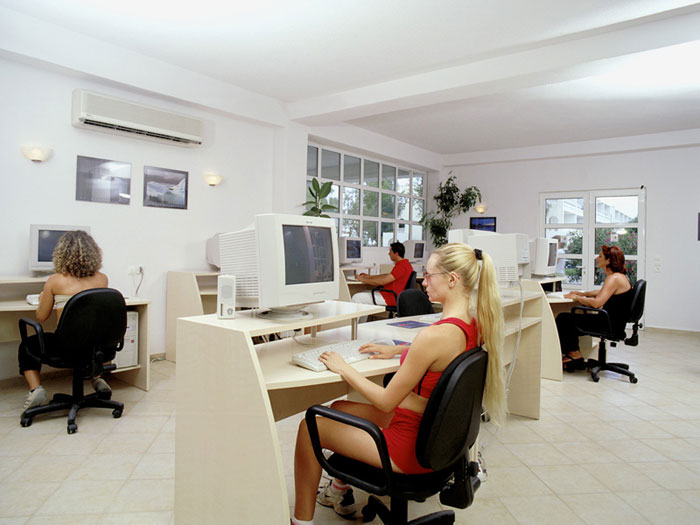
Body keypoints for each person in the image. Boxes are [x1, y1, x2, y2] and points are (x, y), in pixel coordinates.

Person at [291, 243, 506, 524]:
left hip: (410, 448)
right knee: (340, 407)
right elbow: (441, 359)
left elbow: (385, 402)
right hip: (437, 439)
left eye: (429, 275)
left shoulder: (434, 337)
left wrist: (344, 367)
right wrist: (398, 350)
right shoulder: (475, 325)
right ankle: (338, 491)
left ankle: (300, 521)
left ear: (452, 279)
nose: (423, 282)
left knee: (309, 426)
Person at [19, 230, 110, 412]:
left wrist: (44, 297)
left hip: (66, 348)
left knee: (27, 345)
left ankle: (36, 390)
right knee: (93, 336)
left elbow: (41, 317)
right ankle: (97, 378)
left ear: (62, 253)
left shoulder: (55, 281)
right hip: (97, 347)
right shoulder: (102, 279)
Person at [555, 245, 632, 371]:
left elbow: (597, 303)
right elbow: (602, 292)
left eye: (600, 256)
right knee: (569, 318)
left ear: (608, 260)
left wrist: (576, 298)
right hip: (613, 323)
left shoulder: (613, 278)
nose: (597, 258)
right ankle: (574, 353)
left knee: (563, 319)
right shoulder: (619, 276)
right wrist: (583, 294)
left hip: (607, 324)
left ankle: (574, 354)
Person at [351, 242, 413, 320]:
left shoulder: (401, 267)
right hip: (392, 295)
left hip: (390, 298)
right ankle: (361, 325)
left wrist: (363, 279)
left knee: (357, 297)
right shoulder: (405, 264)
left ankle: (353, 326)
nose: (389, 254)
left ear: (396, 253)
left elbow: (382, 282)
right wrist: (370, 277)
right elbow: (387, 276)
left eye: (390, 251)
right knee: (364, 293)